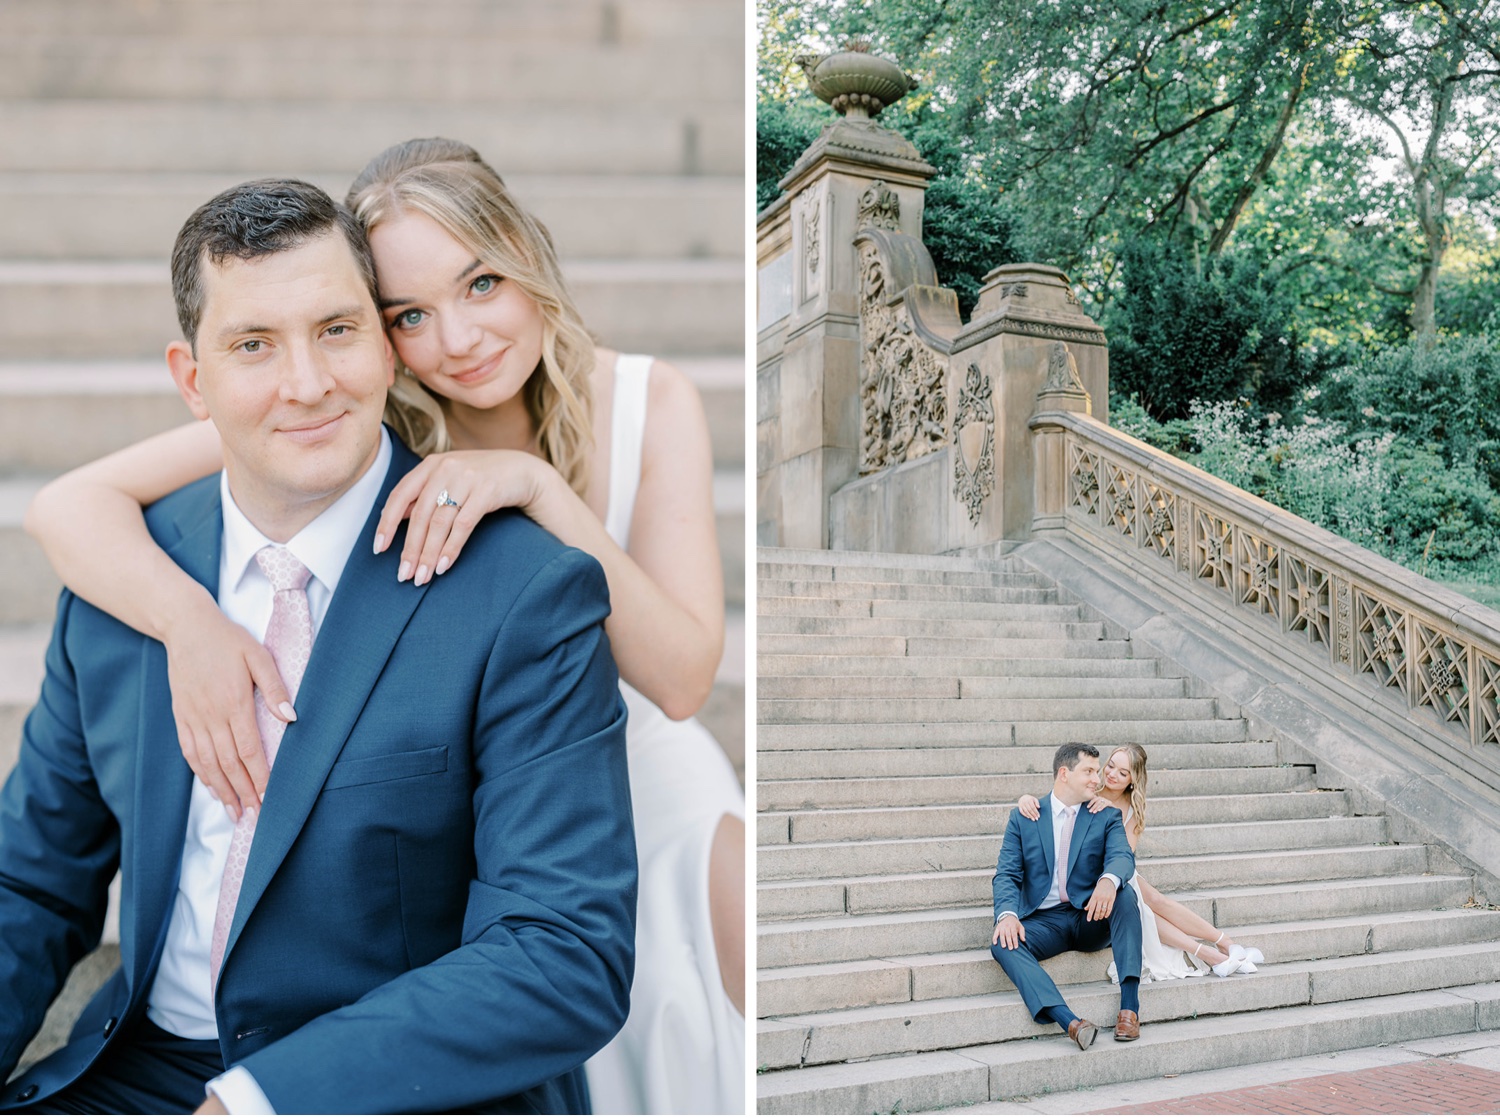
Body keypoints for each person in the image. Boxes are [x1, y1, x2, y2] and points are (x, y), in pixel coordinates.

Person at [24, 138, 744, 1115]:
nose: (457, 338)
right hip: (163, 1061)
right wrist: (186, 621)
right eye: (412, 313)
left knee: (712, 955)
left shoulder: (621, 432)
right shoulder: (322, 416)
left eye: (482, 282)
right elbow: (71, 506)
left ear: (527, 257)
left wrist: (536, 488)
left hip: (630, 749)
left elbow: (684, 675)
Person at [1017, 744, 1265, 980]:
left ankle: (1225, 944)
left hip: (1115, 871)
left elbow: (1125, 855)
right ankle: (1213, 952)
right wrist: (1026, 798)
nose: (1112, 774)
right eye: (1110, 766)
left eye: (1122, 772)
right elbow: (1055, 801)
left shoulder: (1132, 808)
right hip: (1087, 876)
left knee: (1153, 899)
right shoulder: (1089, 788)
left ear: (1133, 779)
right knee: (1145, 905)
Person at [991, 742, 1143, 1048]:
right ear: (1064, 773)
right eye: (1088, 771)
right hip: (1045, 922)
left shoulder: (1104, 815)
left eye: (1097, 772)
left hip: (1089, 918)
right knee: (1001, 941)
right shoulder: (1026, 816)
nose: (1096, 780)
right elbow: (1007, 874)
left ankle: (1129, 1008)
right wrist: (1006, 915)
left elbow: (1122, 857)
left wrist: (1108, 881)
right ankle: (1070, 1022)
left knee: (1125, 895)